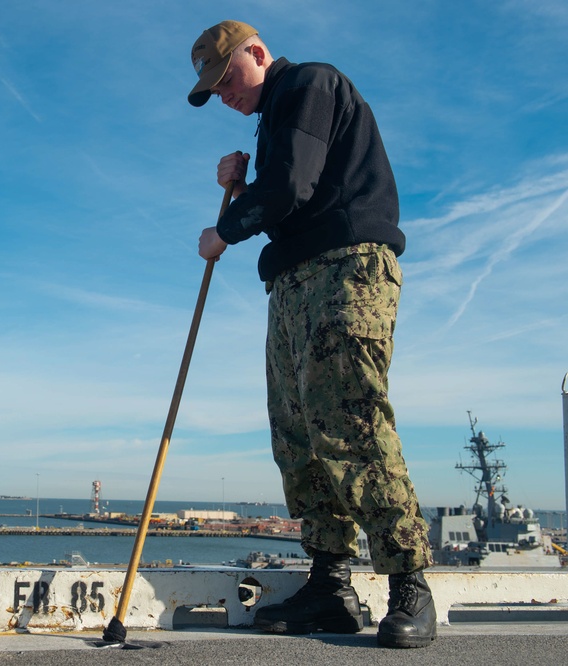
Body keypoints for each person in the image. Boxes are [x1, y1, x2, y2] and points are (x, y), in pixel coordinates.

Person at [187, 21, 436, 649]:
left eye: (226, 78)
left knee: (349, 419)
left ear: (259, 54)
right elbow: (290, 193)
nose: (223, 94)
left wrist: (227, 227)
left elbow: (292, 187)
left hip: (346, 268)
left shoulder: (308, 84)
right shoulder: (274, 122)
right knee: (297, 433)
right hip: (294, 282)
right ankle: (330, 586)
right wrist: (242, 186)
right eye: (212, 90)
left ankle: (409, 583)